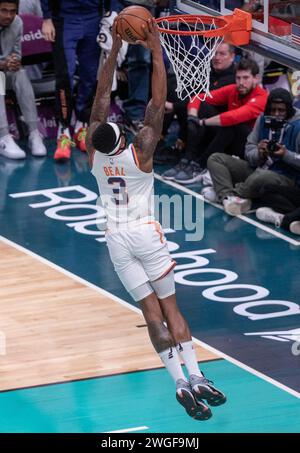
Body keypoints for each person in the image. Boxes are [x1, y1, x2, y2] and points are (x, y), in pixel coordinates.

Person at [86, 18, 226, 420]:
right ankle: (197, 375)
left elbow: (100, 94)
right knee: (173, 308)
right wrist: (156, 48)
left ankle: (178, 382)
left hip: (115, 239)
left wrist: (113, 49)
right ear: (124, 137)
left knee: (151, 315)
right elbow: (156, 100)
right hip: (145, 234)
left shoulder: (93, 156)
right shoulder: (140, 151)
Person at [163, 58, 268, 185]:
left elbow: (234, 117)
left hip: (245, 147)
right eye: (238, 78)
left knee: (232, 124)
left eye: (246, 78)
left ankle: (201, 165)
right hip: (226, 139)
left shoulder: (262, 98)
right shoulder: (233, 89)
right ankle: (187, 159)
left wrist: (203, 122)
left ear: (256, 78)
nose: (241, 82)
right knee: (203, 107)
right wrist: (192, 118)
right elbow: (199, 97)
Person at [207, 88, 300, 216]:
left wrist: (286, 155)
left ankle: (227, 194)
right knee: (215, 159)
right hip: (257, 168)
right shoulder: (262, 118)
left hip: (286, 177)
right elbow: (249, 149)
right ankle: (230, 198)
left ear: (289, 109)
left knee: (261, 176)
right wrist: (259, 153)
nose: (276, 113)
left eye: (281, 110)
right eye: (273, 110)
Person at [41, 0, 104, 160]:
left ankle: (82, 126)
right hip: (65, 17)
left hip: (94, 17)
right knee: (64, 77)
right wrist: (47, 18)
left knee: (89, 75)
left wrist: (113, 12)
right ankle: (63, 132)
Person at [0, 0, 46, 159]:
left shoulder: (17, 22)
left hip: (5, 70)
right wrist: (3, 64)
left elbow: (17, 52)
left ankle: (34, 133)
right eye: (4, 10)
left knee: (20, 73)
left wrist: (14, 61)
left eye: (12, 11)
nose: (8, 15)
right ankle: (3, 136)